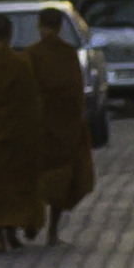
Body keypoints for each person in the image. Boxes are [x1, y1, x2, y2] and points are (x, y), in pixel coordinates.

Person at [0, 9, 63, 248]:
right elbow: (32, 99)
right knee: (17, 181)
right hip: (19, 131)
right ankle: (12, 229)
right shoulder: (21, 64)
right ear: (10, 34)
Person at [21, 14, 96, 242]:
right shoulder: (68, 54)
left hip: (40, 126)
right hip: (64, 125)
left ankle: (32, 221)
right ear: (61, 26)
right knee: (61, 179)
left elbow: (26, 92)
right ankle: (52, 230)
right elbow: (77, 91)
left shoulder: (31, 54)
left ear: (39, 26)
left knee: (35, 176)